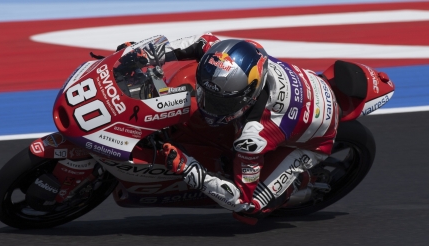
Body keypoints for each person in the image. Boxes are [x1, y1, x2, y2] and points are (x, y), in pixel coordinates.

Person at [120, 33, 339, 224]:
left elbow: (240, 198)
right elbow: (203, 41)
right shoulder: (235, 55)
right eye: (208, 96)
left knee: (250, 209)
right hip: (305, 92)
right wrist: (145, 55)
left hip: (314, 138)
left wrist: (187, 167)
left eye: (219, 103)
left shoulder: (254, 136)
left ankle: (299, 182)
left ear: (247, 98)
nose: (206, 104)